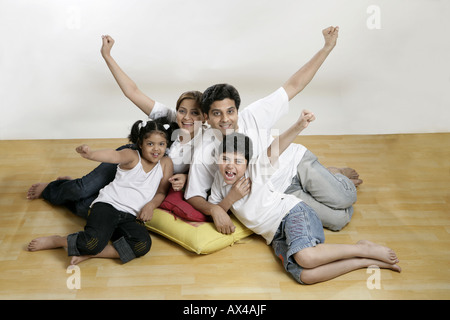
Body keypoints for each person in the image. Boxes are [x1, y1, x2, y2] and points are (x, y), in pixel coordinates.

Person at [185, 27, 362, 234]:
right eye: (216, 114)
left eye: (230, 111)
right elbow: (193, 196)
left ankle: (336, 175)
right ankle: (329, 178)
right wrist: (215, 210)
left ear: (237, 110)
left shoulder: (254, 114)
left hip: (294, 164)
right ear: (206, 117)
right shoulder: (205, 150)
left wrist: (326, 47)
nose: (226, 119)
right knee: (338, 220)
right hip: (280, 190)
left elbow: (294, 85)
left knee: (346, 198)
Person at [208, 113, 400, 284]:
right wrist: (231, 197)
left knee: (306, 257)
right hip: (275, 235)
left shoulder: (256, 172)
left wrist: (299, 125)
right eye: (225, 159)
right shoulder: (219, 182)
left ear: (248, 163)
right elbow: (216, 210)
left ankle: (361, 249)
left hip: (291, 214)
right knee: (305, 276)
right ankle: (364, 261)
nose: (230, 166)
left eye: (238, 161)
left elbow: (276, 148)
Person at [27, 35, 205, 217]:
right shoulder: (169, 117)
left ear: (205, 116)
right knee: (81, 189)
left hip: (147, 181)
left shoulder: (206, 141)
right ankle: (53, 188)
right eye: (182, 111)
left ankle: (67, 184)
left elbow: (205, 173)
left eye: (195, 113)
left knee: (85, 208)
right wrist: (107, 55)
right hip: (132, 159)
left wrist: (185, 177)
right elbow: (132, 92)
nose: (187, 117)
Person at [27, 118, 174, 265]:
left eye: (161, 144)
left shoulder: (166, 163)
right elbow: (113, 155)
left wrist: (150, 206)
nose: (156, 149)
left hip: (131, 217)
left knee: (142, 244)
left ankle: (92, 254)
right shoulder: (132, 156)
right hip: (107, 207)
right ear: (140, 144)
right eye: (150, 144)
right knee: (91, 242)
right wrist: (91, 154)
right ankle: (57, 240)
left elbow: (161, 192)